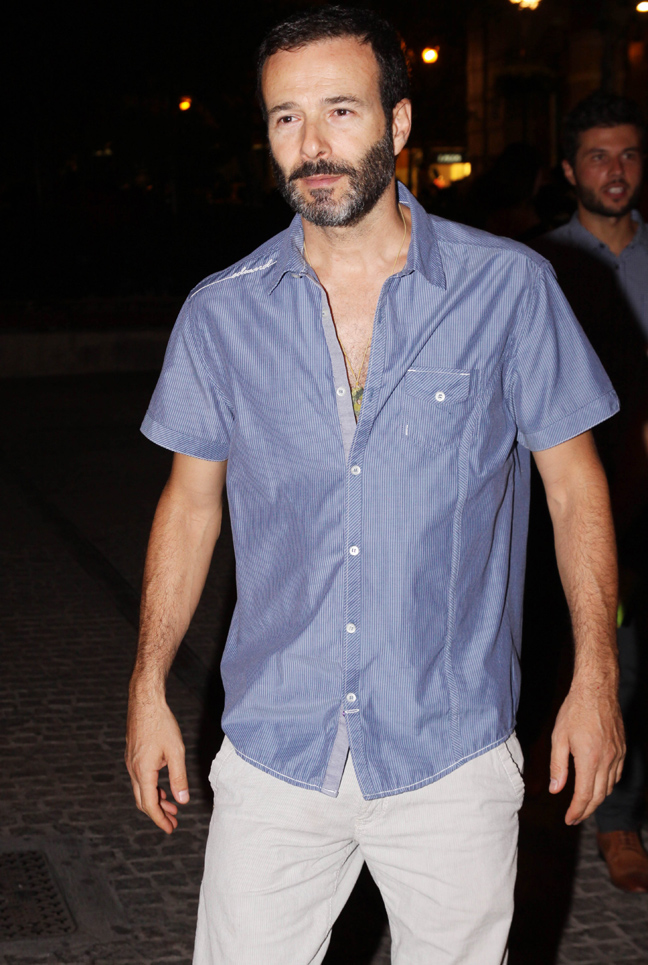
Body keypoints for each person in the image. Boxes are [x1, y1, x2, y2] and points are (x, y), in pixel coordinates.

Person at [125, 9, 625, 963]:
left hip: (451, 747)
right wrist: (148, 684)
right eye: (286, 118)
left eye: (340, 110)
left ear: (397, 123)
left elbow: (574, 491)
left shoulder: (509, 289)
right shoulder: (221, 313)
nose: (312, 145)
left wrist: (595, 678)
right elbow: (189, 506)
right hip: (278, 747)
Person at [534, 91, 648, 894]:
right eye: (599, 156)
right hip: (601, 500)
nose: (617, 170)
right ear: (570, 170)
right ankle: (616, 820)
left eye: (630, 154)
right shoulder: (538, 269)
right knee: (617, 658)